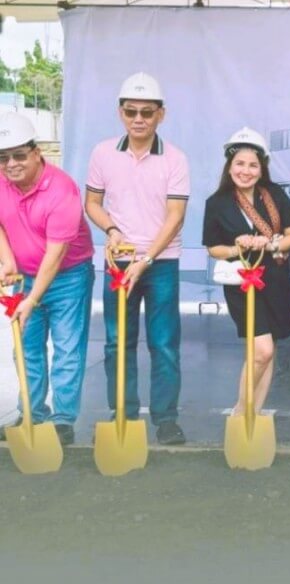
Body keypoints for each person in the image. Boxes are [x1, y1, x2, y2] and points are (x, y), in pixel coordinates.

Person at [85, 72, 190, 445]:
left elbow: (176, 217)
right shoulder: (102, 153)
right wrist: (112, 232)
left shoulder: (175, 158)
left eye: (147, 112)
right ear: (120, 113)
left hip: (160, 263)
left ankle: (166, 420)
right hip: (118, 262)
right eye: (131, 111)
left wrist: (145, 258)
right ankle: (124, 416)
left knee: (163, 343)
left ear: (161, 114)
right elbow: (92, 204)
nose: (139, 119)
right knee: (117, 342)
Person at [0, 112, 94, 446]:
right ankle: (32, 414)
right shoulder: (0, 181)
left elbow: (55, 257)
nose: (11, 164)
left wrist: (32, 299)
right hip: (23, 276)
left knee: (67, 347)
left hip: (68, 277)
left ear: (36, 152)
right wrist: (7, 258)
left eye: (19, 155)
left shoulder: (62, 190)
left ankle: (62, 421)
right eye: (3, 157)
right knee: (26, 348)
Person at [202, 127, 290, 415]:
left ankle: (253, 415)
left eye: (253, 165)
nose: (246, 171)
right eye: (239, 164)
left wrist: (269, 243)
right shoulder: (217, 203)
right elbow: (213, 248)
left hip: (275, 280)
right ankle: (240, 412)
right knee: (263, 350)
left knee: (266, 354)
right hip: (242, 284)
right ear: (229, 166)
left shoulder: (275, 195)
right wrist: (238, 247)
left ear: (262, 168)